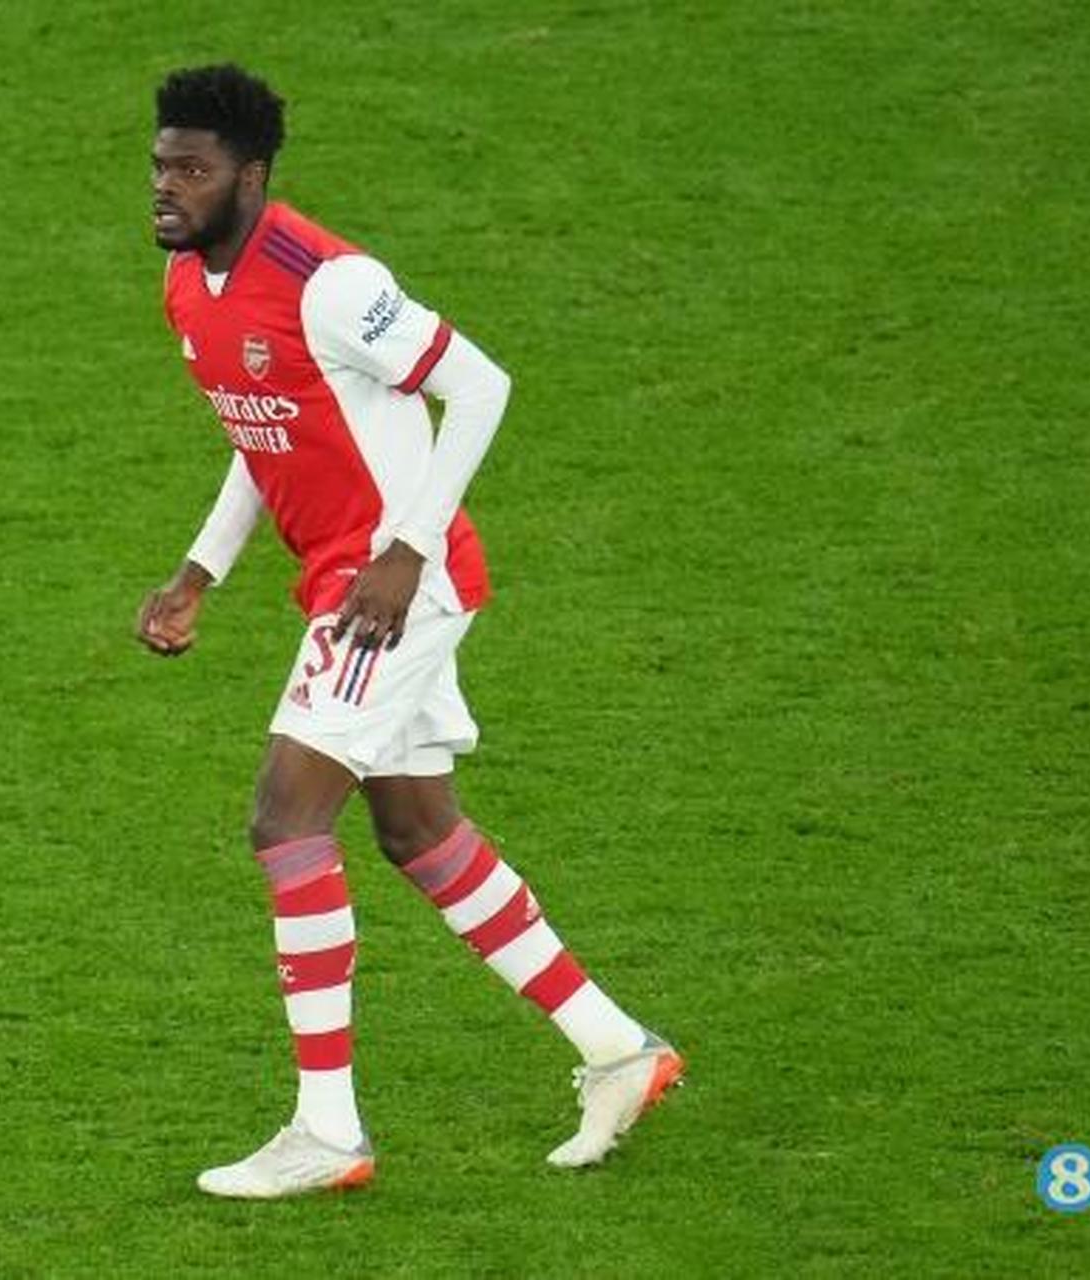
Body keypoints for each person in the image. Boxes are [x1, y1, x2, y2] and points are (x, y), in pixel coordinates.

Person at [136, 63, 682, 1200]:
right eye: (160, 165)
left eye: (192, 169)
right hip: (356, 581)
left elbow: (481, 385)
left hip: (388, 590)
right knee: (419, 829)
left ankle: (327, 1131)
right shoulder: (190, 283)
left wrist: (406, 548)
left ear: (251, 174)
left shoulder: (331, 284)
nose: (168, 187)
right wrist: (199, 571)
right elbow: (265, 430)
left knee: (286, 817)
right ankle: (618, 1049)